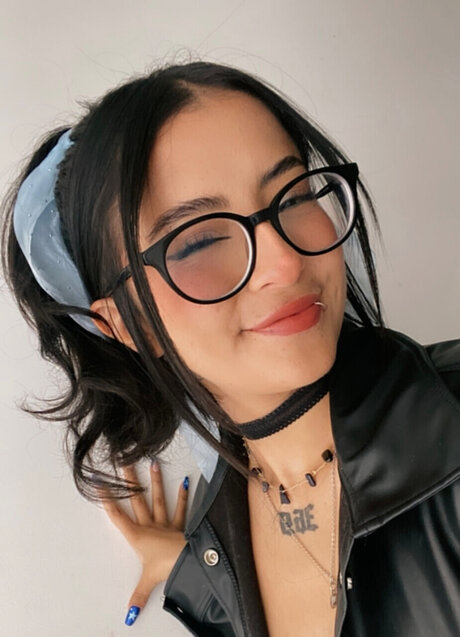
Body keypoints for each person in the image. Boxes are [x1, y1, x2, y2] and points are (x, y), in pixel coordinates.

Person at [2, 60, 459, 637]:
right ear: (122, 325)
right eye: (198, 241)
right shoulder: (214, 556)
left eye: (293, 196)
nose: (285, 263)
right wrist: (191, 569)